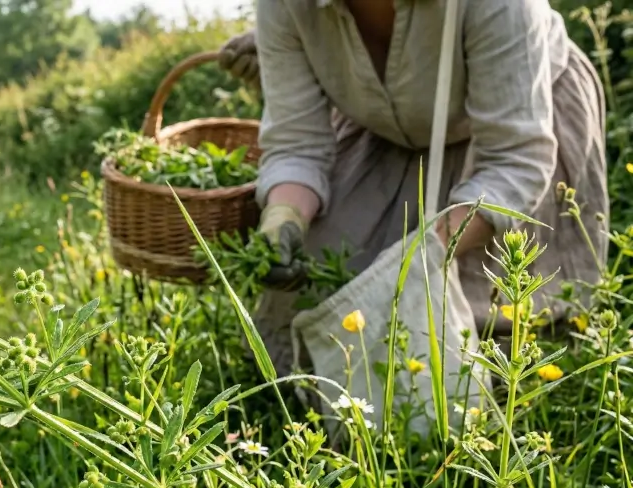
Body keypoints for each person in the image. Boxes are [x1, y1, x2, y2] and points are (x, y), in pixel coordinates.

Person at [217, 0, 608, 374]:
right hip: (383, 128)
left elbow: (514, 161)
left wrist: (419, 256)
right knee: (314, 310)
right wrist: (284, 219)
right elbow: (297, 145)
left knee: (485, 334)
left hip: (517, 119)